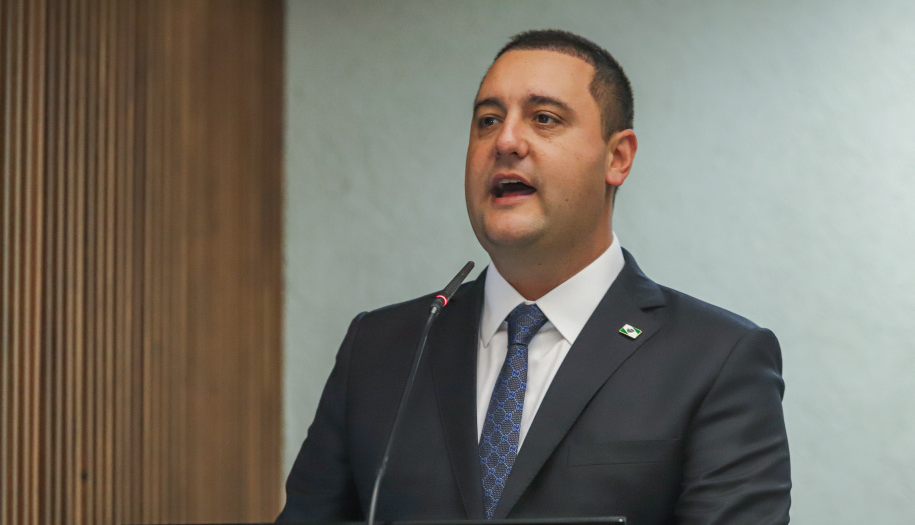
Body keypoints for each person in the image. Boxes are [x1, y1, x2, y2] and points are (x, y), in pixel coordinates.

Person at [278, 29, 791, 524]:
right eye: (487, 121)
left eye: (544, 118)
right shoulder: (381, 349)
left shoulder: (716, 359)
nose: (506, 141)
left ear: (618, 157)